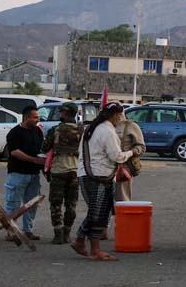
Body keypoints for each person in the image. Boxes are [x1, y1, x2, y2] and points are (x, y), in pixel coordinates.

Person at [71, 102, 139, 261]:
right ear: (116, 115)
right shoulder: (107, 131)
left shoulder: (91, 128)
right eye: (120, 115)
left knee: (96, 211)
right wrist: (131, 152)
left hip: (86, 174)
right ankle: (95, 250)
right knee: (99, 214)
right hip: (99, 177)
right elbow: (117, 156)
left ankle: (80, 240)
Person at [41, 102, 83, 244]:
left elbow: (45, 147)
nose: (60, 114)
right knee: (71, 204)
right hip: (75, 171)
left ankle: (58, 233)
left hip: (58, 170)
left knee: (56, 203)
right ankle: (67, 233)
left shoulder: (55, 130)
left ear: (65, 113)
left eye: (62, 112)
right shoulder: (82, 130)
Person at [4, 105, 45, 241]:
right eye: (35, 117)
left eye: (37, 117)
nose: (37, 120)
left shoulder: (38, 131)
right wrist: (34, 160)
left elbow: (41, 147)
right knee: (13, 203)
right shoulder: (15, 133)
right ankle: (11, 231)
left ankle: (28, 230)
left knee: (31, 204)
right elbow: (15, 152)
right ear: (26, 117)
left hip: (34, 174)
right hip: (18, 173)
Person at [115, 113, 145, 201]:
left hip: (123, 167)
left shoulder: (130, 126)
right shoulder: (106, 126)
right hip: (106, 168)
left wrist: (132, 152)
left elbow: (141, 147)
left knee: (122, 198)